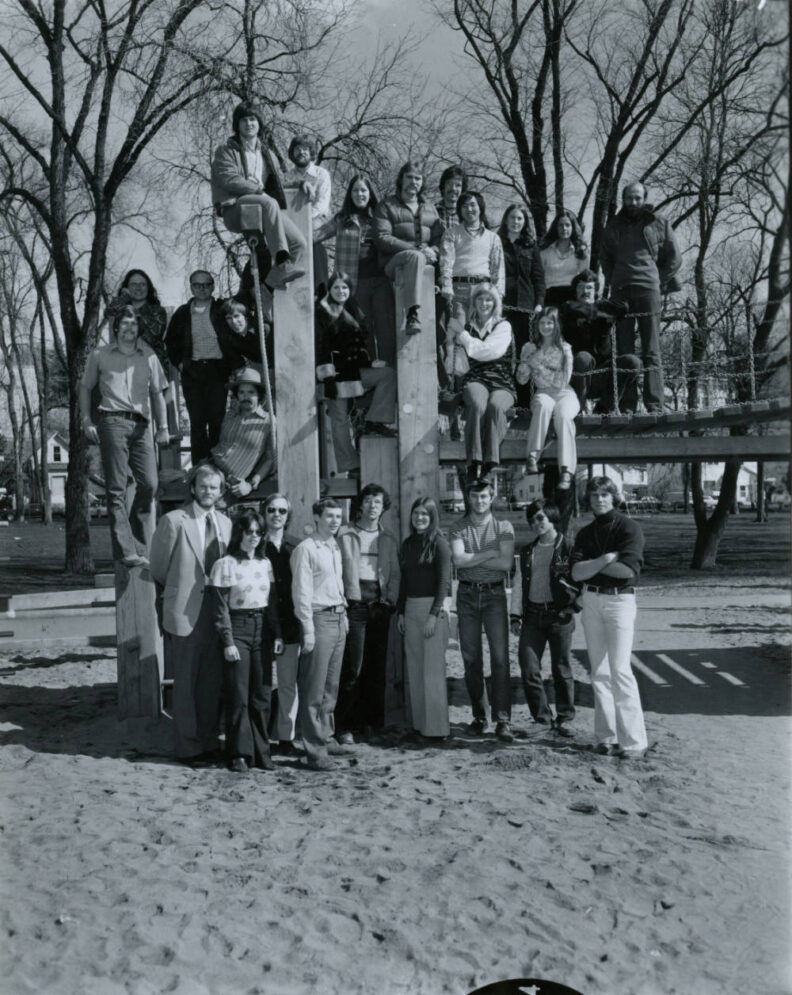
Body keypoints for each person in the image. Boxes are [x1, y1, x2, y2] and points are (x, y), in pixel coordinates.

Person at [150, 464, 231, 762]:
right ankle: (188, 747)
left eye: (214, 487)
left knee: (211, 683)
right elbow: (158, 568)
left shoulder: (225, 523)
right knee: (185, 683)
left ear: (220, 492)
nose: (209, 492)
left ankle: (209, 742)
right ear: (194, 488)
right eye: (204, 486)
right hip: (185, 610)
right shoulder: (174, 521)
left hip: (217, 610)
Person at [79, 305, 169, 568]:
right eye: (125, 323)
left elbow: (158, 394)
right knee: (117, 489)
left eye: (134, 324)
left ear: (139, 328)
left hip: (142, 426)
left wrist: (163, 427)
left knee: (150, 484)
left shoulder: (149, 356)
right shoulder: (100, 355)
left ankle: (138, 542)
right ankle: (126, 550)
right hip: (112, 421)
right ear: (116, 327)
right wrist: (87, 421)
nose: (130, 328)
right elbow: (85, 388)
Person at [571, 476, 648, 759]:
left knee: (620, 670)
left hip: (620, 601)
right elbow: (577, 573)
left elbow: (628, 571)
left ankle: (633, 742)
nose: (599, 500)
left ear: (614, 497)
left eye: (604, 495)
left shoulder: (629, 527)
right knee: (599, 672)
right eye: (594, 496)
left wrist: (592, 566)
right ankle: (606, 737)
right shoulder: (585, 532)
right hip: (591, 600)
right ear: (588, 500)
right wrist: (605, 560)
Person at [209, 510, 283, 773]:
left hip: (262, 630)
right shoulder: (225, 564)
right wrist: (228, 640)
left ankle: (262, 753)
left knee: (261, 694)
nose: (254, 536)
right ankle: (239, 753)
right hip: (237, 629)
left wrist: (277, 634)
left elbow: (272, 603)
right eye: (248, 531)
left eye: (258, 532)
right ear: (239, 532)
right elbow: (220, 608)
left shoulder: (265, 564)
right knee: (238, 694)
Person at [600, 182, 682, 412]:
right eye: (628, 198)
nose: (633, 202)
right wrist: (614, 278)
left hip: (648, 291)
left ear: (644, 198)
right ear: (623, 199)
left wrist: (658, 279)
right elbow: (604, 257)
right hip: (621, 293)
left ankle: (655, 404)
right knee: (625, 351)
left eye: (637, 198)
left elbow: (675, 258)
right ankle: (627, 405)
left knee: (651, 348)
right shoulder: (613, 225)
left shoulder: (659, 223)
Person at [210, 101, 306, 289]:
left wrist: (299, 183)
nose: (249, 124)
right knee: (268, 203)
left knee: (298, 243)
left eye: (253, 119)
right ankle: (283, 262)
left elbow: (279, 181)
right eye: (244, 120)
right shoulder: (226, 150)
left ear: (259, 123)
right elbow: (229, 179)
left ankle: (268, 286)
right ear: (237, 124)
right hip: (235, 207)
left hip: (264, 207)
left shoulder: (266, 153)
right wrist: (257, 191)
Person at [450, 477, 515, 742]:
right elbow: (458, 560)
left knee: (500, 659)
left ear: (492, 497)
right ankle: (480, 716)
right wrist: (490, 554)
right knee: (471, 659)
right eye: (475, 496)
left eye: (485, 496)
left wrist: (475, 558)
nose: (480, 501)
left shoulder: (504, 526)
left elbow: (506, 564)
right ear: (468, 498)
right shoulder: (458, 527)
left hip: (494, 595)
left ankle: (503, 720)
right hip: (466, 595)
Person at [315, 271, 397, 477]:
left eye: (345, 287)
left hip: (354, 370)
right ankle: (350, 464)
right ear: (330, 289)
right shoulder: (322, 312)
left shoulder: (353, 308)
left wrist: (370, 362)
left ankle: (375, 421)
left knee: (387, 374)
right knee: (339, 418)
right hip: (334, 372)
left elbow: (355, 346)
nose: (341, 291)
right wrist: (328, 378)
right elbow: (321, 347)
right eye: (336, 287)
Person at [335, 484, 400, 741]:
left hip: (379, 606)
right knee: (353, 668)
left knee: (376, 669)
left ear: (383, 507)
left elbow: (394, 573)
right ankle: (345, 725)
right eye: (369, 501)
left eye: (378, 502)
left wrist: (390, 600)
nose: (373, 506)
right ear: (360, 504)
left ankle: (371, 724)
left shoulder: (388, 537)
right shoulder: (344, 534)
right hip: (354, 606)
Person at [291, 498, 349, 772]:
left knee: (330, 686)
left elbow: (336, 585)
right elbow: (301, 593)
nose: (335, 521)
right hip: (318, 619)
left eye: (338, 516)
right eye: (329, 516)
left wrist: (344, 616)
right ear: (316, 517)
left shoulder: (334, 547)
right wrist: (308, 629)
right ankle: (314, 751)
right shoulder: (306, 549)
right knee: (313, 689)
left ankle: (326, 736)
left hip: (338, 618)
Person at [510, 500, 578, 736]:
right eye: (532, 519)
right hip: (532, 617)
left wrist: (572, 608)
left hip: (559, 617)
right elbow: (519, 583)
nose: (536, 523)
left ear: (551, 517)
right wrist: (515, 615)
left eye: (540, 517)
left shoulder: (568, 547)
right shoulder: (527, 551)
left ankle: (565, 717)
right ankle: (541, 719)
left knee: (561, 668)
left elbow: (581, 581)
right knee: (529, 668)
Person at [315, 175, 395, 363]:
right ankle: (368, 379)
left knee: (386, 331)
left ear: (370, 193)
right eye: (355, 190)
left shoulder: (380, 217)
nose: (360, 194)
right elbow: (315, 236)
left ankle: (388, 374)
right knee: (362, 330)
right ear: (350, 194)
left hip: (381, 282)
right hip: (355, 285)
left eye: (363, 190)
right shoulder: (342, 219)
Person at [396, 496, 452, 740]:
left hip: (432, 610)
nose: (419, 518)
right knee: (415, 671)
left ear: (432, 517)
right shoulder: (408, 544)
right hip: (410, 610)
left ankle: (437, 729)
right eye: (416, 513)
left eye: (425, 514)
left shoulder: (439, 543)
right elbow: (404, 582)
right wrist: (400, 612)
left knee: (433, 672)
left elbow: (443, 582)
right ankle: (420, 725)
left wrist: (434, 614)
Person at [165, 270, 231, 465]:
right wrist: (180, 364)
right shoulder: (183, 313)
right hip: (193, 371)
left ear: (212, 286)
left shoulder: (221, 309)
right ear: (191, 287)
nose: (202, 289)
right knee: (198, 422)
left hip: (217, 370)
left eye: (206, 284)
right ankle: (199, 468)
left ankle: (218, 467)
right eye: (197, 285)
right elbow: (170, 342)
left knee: (217, 420)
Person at [452, 282, 515, 482]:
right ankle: (474, 462)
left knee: (496, 406)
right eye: (480, 299)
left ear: (495, 303)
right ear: (474, 301)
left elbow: (490, 351)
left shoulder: (503, 326)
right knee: (477, 404)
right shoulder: (468, 325)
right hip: (476, 378)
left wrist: (463, 337)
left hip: (501, 380)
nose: (484, 303)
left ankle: (490, 464)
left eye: (489, 299)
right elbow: (461, 360)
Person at [373, 159, 443, 336]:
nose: (414, 182)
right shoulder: (387, 205)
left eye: (418, 179)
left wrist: (433, 251)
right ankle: (412, 314)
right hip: (394, 263)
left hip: (424, 264)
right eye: (409, 177)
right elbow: (382, 237)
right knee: (415, 257)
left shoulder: (430, 209)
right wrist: (416, 250)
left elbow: (440, 239)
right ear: (401, 180)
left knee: (419, 258)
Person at [516, 307, 579, 490]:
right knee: (543, 406)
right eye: (542, 322)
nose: (546, 326)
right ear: (537, 325)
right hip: (543, 392)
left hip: (565, 393)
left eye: (550, 322)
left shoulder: (565, 348)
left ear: (556, 324)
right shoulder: (529, 347)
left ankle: (566, 470)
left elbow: (562, 381)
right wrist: (525, 363)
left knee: (564, 416)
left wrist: (538, 365)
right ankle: (532, 457)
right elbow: (521, 380)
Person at [560, 270, 640, 413]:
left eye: (589, 287)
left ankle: (603, 408)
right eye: (581, 287)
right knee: (583, 357)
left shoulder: (604, 306)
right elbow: (570, 309)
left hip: (602, 376)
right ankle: (578, 408)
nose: (585, 291)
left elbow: (623, 307)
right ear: (575, 290)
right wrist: (598, 312)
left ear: (596, 290)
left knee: (632, 362)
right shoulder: (567, 308)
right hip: (576, 376)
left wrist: (596, 308)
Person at [262, 493, 302, 755]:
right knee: (262, 685)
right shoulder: (253, 545)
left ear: (288, 516)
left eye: (282, 511)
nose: (276, 515)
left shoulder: (297, 547)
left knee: (288, 683)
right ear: (264, 512)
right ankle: (260, 737)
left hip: (290, 623)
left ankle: (286, 738)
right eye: (271, 510)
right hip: (260, 625)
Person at [498, 202, 546, 406]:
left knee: (526, 352)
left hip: (526, 306)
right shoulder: (497, 242)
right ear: (506, 220)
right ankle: (503, 394)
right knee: (504, 351)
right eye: (512, 217)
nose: (516, 222)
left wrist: (539, 303)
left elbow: (539, 278)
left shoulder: (530, 245)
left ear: (524, 222)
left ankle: (524, 399)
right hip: (502, 305)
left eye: (520, 218)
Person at [210, 368, 275, 498]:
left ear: (259, 394)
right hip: (210, 469)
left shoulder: (269, 421)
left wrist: (250, 485)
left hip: (233, 483)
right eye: (241, 392)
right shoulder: (229, 415)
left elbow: (270, 460)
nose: (246, 397)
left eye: (251, 392)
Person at [439, 191, 505, 316]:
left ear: (480, 207)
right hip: (459, 289)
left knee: (481, 332)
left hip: (484, 291)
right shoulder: (451, 233)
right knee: (459, 330)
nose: (469, 209)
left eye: (473, 205)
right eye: (464, 206)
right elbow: (446, 262)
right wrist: (447, 285)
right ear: (459, 210)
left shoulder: (493, 237)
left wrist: (498, 294)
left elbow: (498, 269)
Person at [283, 134, 332, 289]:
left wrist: (303, 221)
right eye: (297, 149)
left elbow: (322, 205)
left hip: (317, 221)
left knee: (315, 246)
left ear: (311, 152)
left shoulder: (321, 174)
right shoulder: (287, 177)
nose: (301, 152)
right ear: (292, 153)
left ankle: (321, 290)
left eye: (305, 149)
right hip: (292, 223)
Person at [114, 269, 169, 374]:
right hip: (123, 368)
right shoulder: (121, 310)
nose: (138, 288)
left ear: (148, 288)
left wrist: (130, 310)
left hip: (152, 370)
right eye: (134, 284)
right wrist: (122, 299)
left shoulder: (158, 311)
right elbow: (109, 312)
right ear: (127, 288)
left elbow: (152, 336)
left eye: (142, 284)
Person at [539, 210, 589, 309]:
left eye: (567, 225)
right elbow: (539, 280)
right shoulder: (545, 252)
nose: (564, 228)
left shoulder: (581, 252)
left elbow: (584, 280)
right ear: (556, 228)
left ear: (573, 228)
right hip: (550, 297)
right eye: (560, 225)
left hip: (572, 299)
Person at [435, 165, 468, 231]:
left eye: (458, 185)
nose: (453, 188)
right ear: (443, 187)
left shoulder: (468, 214)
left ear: (462, 189)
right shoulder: (432, 212)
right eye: (449, 184)